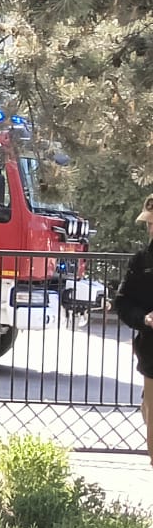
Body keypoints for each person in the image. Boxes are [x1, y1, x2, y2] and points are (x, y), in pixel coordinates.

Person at [113, 195, 153, 462]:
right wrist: (144, 319)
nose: (150, 228)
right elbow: (123, 302)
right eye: (149, 223)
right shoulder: (141, 261)